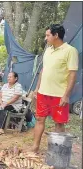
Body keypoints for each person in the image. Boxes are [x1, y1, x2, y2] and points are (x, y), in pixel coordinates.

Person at [31, 24, 78, 153]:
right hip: (43, 93)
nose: (46, 38)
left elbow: (73, 74)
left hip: (59, 95)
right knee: (39, 119)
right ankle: (35, 148)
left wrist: (66, 95)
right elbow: (43, 71)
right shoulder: (48, 50)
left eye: (47, 35)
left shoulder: (70, 50)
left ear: (56, 35)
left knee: (59, 123)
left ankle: (57, 152)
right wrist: (37, 88)